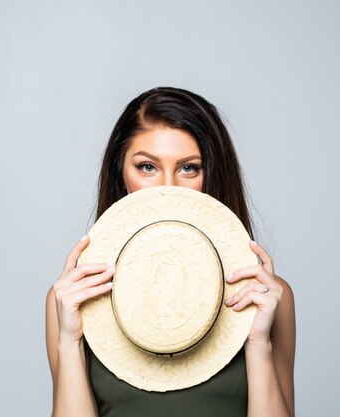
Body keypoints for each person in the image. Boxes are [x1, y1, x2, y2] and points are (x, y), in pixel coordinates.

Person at [45, 87, 296, 417]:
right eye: (147, 167)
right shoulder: (70, 299)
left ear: (214, 175)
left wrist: (258, 344)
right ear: (121, 174)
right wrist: (70, 340)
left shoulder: (269, 297)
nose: (168, 188)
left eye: (189, 168)